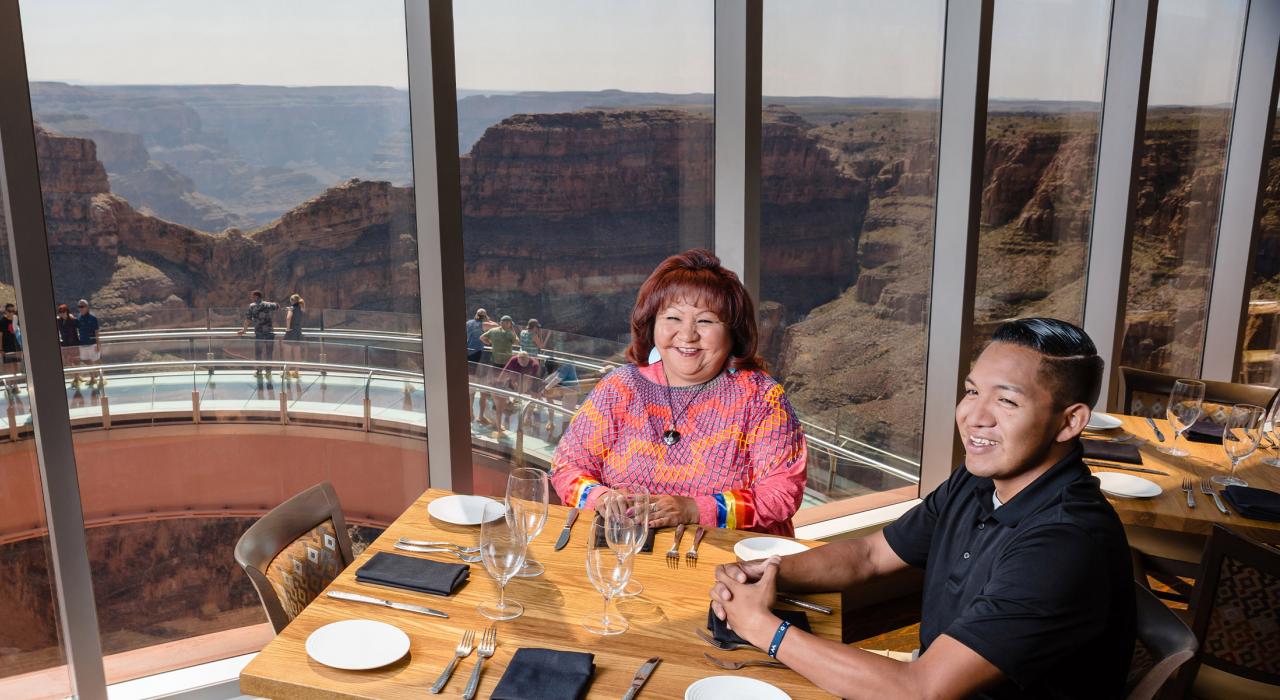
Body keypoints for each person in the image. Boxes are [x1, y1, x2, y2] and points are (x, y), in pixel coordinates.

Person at [708, 318, 1135, 700]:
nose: (974, 416)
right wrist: (766, 571)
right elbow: (870, 554)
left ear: (1070, 421)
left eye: (1006, 401)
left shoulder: (1064, 544)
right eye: (972, 392)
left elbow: (922, 689)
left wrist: (762, 628)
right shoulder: (979, 479)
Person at [550, 249, 807, 535]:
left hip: (733, 556)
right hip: (629, 550)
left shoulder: (761, 398)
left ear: (733, 332)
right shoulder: (619, 388)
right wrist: (601, 498)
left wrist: (695, 509)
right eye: (673, 318)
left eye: (705, 321)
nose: (687, 335)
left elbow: (782, 493)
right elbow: (567, 467)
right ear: (652, 324)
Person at [237, 290, 279, 379]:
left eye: (252, 296)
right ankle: (268, 372)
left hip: (259, 333)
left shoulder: (252, 306)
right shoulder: (268, 304)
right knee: (269, 353)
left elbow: (248, 319)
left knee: (258, 352)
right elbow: (277, 306)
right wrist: (271, 303)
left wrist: (244, 330)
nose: (251, 298)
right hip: (269, 332)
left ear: (256, 296)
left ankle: (259, 371)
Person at [75, 299, 102, 388]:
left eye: (82, 306)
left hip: (92, 344)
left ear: (87, 307)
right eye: (79, 307)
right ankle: (93, 378)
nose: (80, 308)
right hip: (82, 344)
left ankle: (101, 379)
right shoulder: (78, 317)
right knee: (86, 360)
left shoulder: (93, 318)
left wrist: (98, 344)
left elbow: (97, 332)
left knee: (96, 361)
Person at [56, 304, 81, 386]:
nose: (62, 314)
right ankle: (77, 376)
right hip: (65, 344)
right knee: (69, 361)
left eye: (63, 312)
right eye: (60, 312)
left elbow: (81, 327)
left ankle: (76, 378)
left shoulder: (73, 320)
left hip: (74, 343)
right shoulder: (59, 321)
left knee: (76, 361)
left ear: (67, 312)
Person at [282, 294, 305, 378]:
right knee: (297, 353)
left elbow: (288, 318)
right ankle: (296, 372)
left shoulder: (292, 308)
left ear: (292, 300)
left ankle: (287, 372)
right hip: (298, 332)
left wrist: (288, 328)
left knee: (287, 353)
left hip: (291, 332)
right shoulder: (301, 308)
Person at [1, 303, 20, 377]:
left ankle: (16, 382)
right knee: (9, 368)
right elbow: (0, 336)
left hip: (16, 347)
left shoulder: (16, 319)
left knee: (17, 367)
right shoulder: (2, 321)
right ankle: (11, 382)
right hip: (7, 348)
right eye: (9, 311)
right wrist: (1, 349)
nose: (12, 313)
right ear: (6, 311)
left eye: (13, 311)